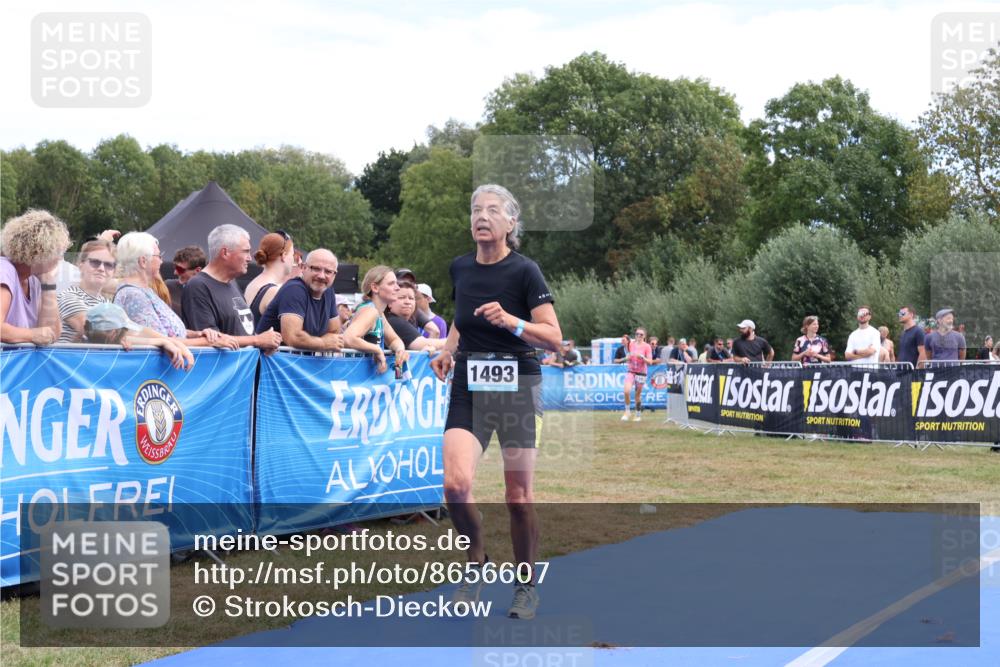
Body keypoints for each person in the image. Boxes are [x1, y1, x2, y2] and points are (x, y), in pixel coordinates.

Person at [429, 184, 562, 621]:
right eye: (475, 210)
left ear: (510, 223)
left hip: (518, 382)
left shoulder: (525, 272)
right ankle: (477, 562)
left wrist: (512, 321)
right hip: (469, 382)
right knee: (455, 485)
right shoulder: (460, 268)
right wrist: (448, 348)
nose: (481, 216)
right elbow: (461, 317)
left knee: (518, 496)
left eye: (491, 211)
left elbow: (554, 339)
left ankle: (526, 586)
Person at [114, 232, 237, 350]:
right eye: (158, 256)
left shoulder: (143, 291)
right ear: (143, 261)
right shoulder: (133, 296)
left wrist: (199, 334)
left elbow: (169, 333)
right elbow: (163, 342)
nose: (161, 261)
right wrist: (210, 342)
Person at [182, 225, 282, 351]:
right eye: (245, 251)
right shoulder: (198, 286)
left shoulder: (232, 282)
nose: (250, 258)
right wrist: (257, 340)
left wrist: (264, 344)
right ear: (225, 253)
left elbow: (240, 333)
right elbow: (211, 341)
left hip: (244, 368)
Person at [0, 209, 70, 345]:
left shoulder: (34, 280)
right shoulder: (4, 270)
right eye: (59, 252)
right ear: (40, 253)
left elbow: (51, 333)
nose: (61, 258)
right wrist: (32, 334)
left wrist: (48, 285)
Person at [256, 249, 343, 352]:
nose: (321, 276)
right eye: (316, 269)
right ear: (303, 267)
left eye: (328, 271)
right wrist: (323, 343)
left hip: (297, 363)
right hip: (272, 363)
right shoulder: (294, 289)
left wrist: (320, 342)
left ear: (334, 275)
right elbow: (293, 337)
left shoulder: (328, 291)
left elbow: (334, 332)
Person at [84, 303, 194, 370]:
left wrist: (187, 354)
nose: (113, 334)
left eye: (119, 330)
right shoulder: (80, 344)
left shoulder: (126, 336)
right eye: (108, 331)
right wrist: (162, 343)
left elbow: (168, 340)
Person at [342, 265, 410, 373]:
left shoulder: (379, 313)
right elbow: (348, 338)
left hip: (364, 379)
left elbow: (393, 340)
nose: (397, 288)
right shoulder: (370, 311)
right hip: (355, 377)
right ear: (375, 288)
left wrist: (400, 350)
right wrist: (377, 349)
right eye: (391, 283)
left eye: (396, 283)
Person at [57, 239, 116, 342]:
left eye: (108, 264)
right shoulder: (68, 297)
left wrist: (154, 337)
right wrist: (153, 342)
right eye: (95, 262)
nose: (102, 268)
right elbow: (100, 334)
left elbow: (129, 329)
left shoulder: (106, 303)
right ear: (81, 264)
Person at [245, 231, 296, 328]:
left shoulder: (253, 283)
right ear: (284, 256)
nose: (293, 260)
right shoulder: (275, 291)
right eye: (292, 255)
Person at [385, 281, 445, 352]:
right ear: (390, 303)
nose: (407, 302)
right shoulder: (393, 321)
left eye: (411, 298)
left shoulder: (396, 318)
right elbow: (421, 343)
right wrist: (455, 341)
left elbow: (434, 332)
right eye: (401, 297)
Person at [620, 328, 653, 421]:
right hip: (631, 371)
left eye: (641, 334)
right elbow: (628, 354)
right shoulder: (631, 344)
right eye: (637, 334)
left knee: (637, 395)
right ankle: (627, 412)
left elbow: (650, 362)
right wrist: (628, 357)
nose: (638, 336)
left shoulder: (647, 346)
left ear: (644, 336)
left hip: (641, 373)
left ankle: (638, 415)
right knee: (626, 391)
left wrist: (642, 357)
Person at [166, 245, 206, 318]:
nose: (175, 272)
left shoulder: (209, 294)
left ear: (197, 271)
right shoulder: (167, 287)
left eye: (180, 269)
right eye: (175, 267)